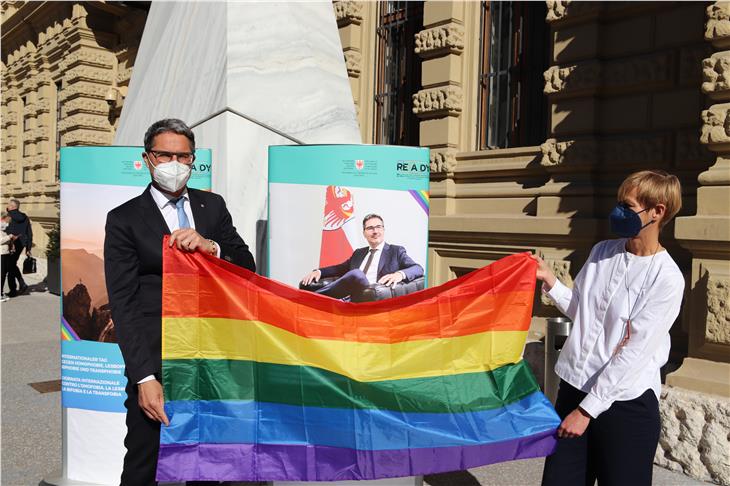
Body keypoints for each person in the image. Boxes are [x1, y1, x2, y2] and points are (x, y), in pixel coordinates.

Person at [104, 118, 256, 486]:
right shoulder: (124, 219)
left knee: (212, 461)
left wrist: (212, 246)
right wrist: (144, 377)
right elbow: (124, 304)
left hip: (212, 359)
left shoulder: (212, 207)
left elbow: (246, 266)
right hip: (158, 361)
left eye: (183, 156)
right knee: (145, 458)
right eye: (165, 154)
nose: (174, 163)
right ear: (147, 158)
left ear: (193, 160)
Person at [533, 170, 685, 486]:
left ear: (657, 211)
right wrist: (550, 282)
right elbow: (585, 312)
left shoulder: (667, 278)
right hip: (575, 388)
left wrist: (587, 412)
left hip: (624, 405)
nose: (618, 212)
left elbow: (634, 353)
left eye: (627, 206)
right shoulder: (603, 251)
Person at [300, 213, 424, 299]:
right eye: (370, 228)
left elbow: (418, 268)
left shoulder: (395, 251)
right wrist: (319, 271)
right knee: (306, 285)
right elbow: (339, 268)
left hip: (370, 297)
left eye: (378, 227)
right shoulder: (359, 253)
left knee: (357, 274)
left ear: (383, 229)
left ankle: (314, 297)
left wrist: (399, 274)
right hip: (347, 298)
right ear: (364, 233)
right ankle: (313, 297)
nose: (375, 231)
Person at [5, 198, 32, 297]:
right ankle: (22, 284)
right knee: (12, 264)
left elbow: (6, 229)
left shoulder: (9, 216)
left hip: (11, 243)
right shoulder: (25, 217)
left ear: (12, 207)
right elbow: (29, 233)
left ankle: (13, 290)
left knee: (9, 266)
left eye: (8, 205)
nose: (7, 206)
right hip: (21, 244)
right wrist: (28, 248)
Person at [1, 212, 16, 302]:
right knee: (1, 275)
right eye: (8, 220)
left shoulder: (2, 228)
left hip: (5, 253)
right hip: (1, 254)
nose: (8, 223)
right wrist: (9, 237)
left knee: (3, 274)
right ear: (4, 218)